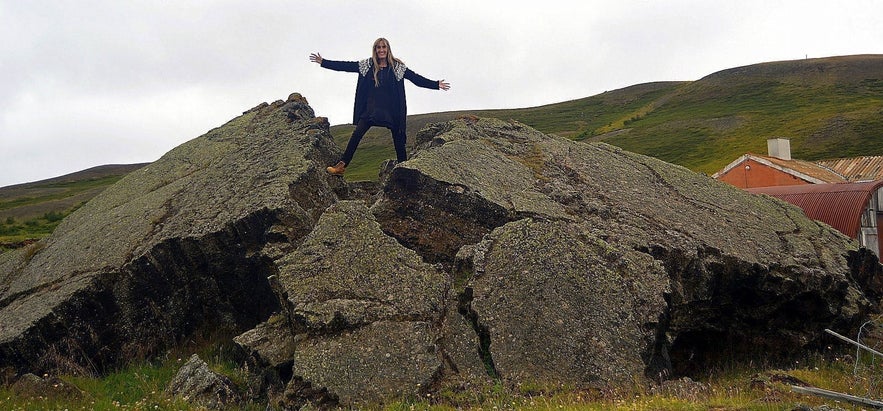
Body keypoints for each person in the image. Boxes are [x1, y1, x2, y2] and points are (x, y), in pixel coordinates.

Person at [310, 37, 450, 175]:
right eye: (379, 47)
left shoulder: (398, 68)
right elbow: (346, 66)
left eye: (384, 47)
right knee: (356, 135)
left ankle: (404, 172)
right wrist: (324, 62)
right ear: (375, 50)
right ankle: (341, 166)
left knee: (399, 141)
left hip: (392, 111)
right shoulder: (367, 65)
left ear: (388, 49)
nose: (381, 50)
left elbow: (416, 79)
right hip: (371, 110)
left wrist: (435, 84)